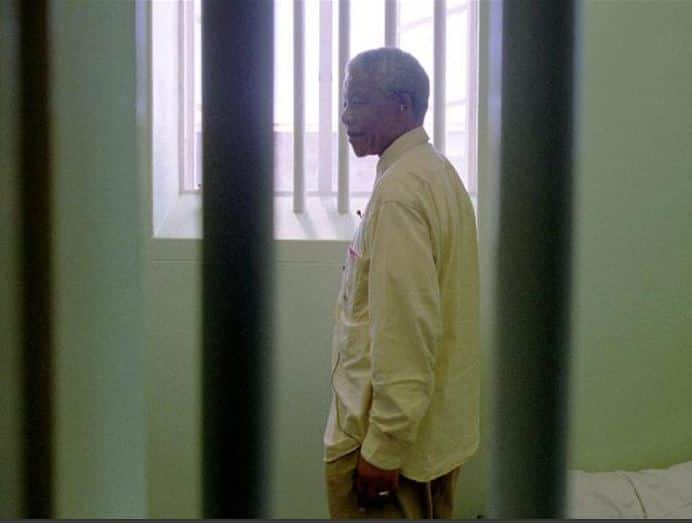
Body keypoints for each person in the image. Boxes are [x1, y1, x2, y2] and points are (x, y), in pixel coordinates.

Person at [323, 47, 480, 519]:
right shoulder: (436, 173)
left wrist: (383, 448)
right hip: (428, 444)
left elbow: (406, 331)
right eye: (346, 103)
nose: (347, 117)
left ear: (403, 106)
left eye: (360, 102)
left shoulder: (400, 195)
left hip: (393, 459)